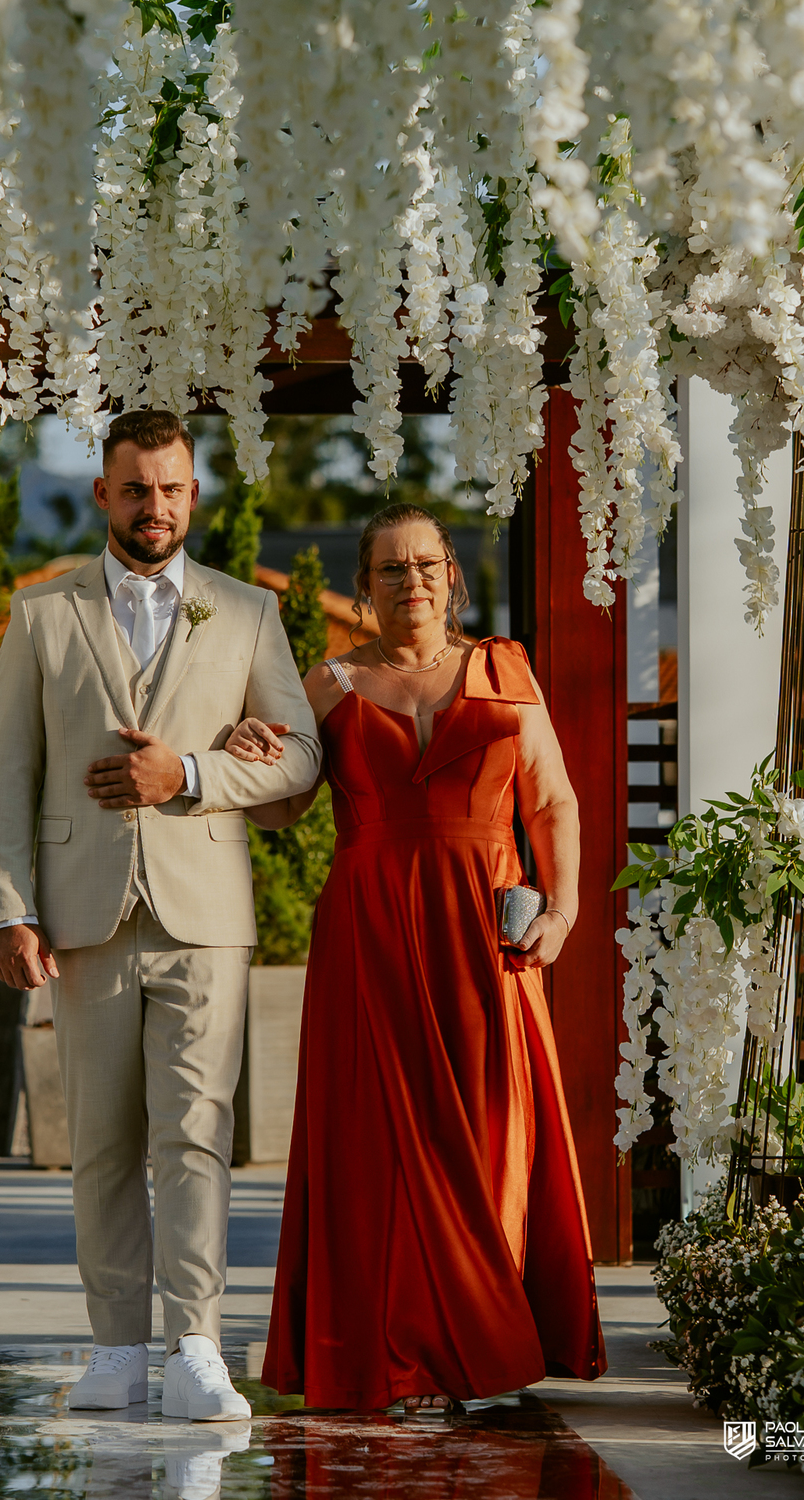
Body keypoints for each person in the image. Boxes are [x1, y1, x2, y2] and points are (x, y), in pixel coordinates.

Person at [223, 501, 607, 1411]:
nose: (412, 581)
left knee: (491, 1133)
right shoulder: (327, 685)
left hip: (486, 930)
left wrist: (562, 912)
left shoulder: (506, 670)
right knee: (378, 1148)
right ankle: (401, 1353)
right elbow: (281, 809)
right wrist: (240, 753)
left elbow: (553, 802)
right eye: (391, 568)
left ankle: (486, 1339)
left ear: (451, 574)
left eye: (427, 563)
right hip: (369, 934)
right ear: (365, 585)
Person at [0, 409, 322, 1421]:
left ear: (193, 496)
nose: (155, 507)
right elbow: (7, 776)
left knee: (197, 1135)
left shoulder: (246, 613)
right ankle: (118, 1349)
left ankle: (198, 1347)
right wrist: (8, 910)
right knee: (100, 1142)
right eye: (136, 489)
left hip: (203, 911)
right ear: (103, 494)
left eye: (171, 489)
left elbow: (303, 756)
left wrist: (194, 774)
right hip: (80, 915)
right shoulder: (42, 615)